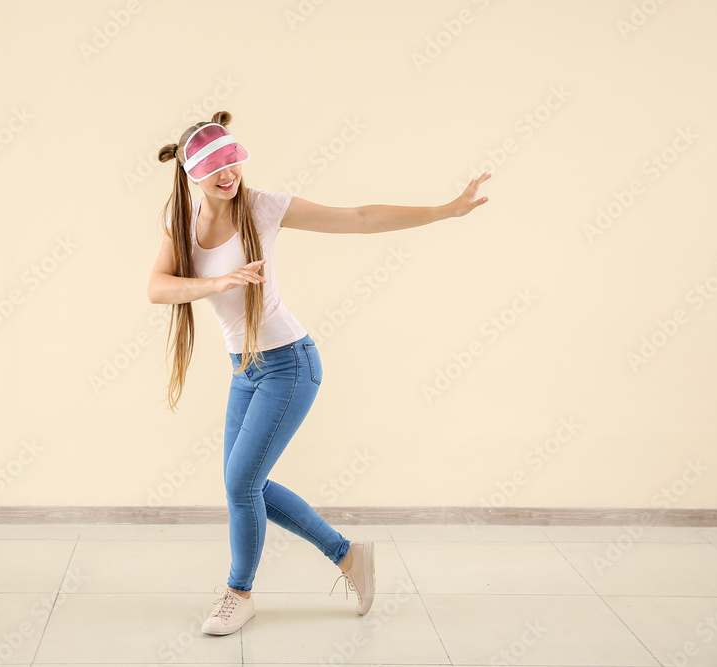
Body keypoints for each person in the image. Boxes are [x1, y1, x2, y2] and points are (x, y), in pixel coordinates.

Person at [147, 111, 490, 636]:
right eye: (216, 168)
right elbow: (158, 287)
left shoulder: (262, 208)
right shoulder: (182, 224)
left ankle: (239, 594)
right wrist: (215, 286)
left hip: (289, 363)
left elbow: (358, 217)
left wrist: (445, 211)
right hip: (245, 370)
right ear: (192, 173)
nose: (229, 175)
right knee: (245, 486)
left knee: (241, 484)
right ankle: (349, 556)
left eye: (234, 163)